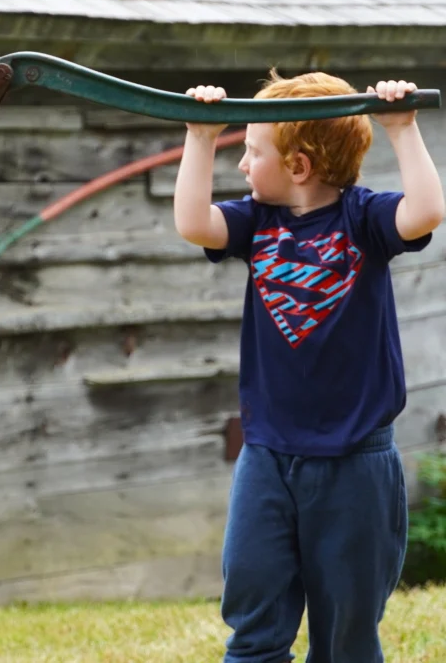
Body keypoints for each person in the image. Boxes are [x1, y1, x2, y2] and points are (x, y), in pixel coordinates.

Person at [173, 71, 445, 663]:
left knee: (346, 635)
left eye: (252, 152)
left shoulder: (364, 219)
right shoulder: (256, 221)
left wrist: (401, 127)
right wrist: (200, 135)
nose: (243, 165)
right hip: (267, 454)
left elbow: (426, 211)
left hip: (356, 461)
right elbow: (194, 223)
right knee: (253, 616)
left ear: (298, 166)